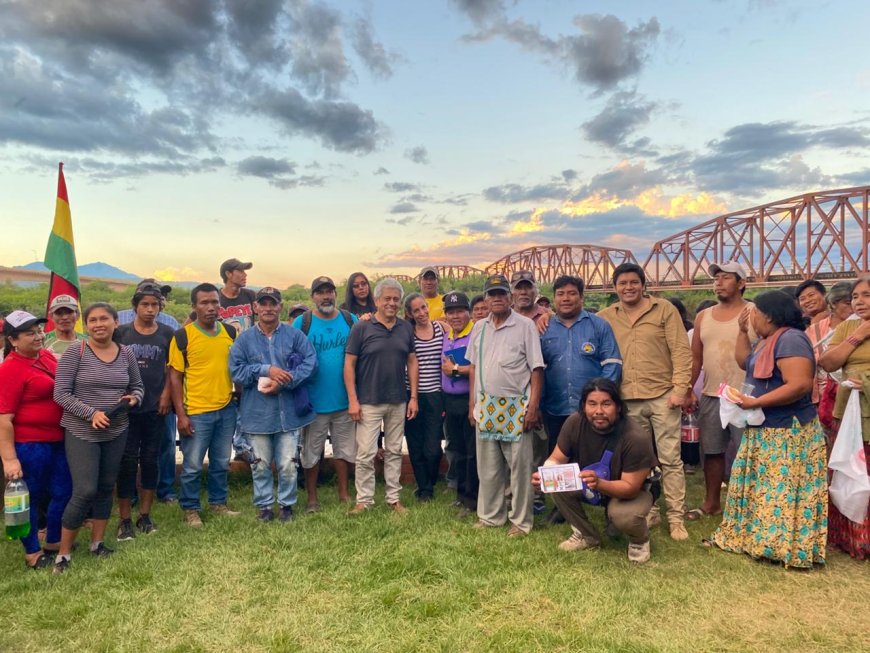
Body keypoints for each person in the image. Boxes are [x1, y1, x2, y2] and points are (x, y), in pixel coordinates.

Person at [707, 291, 826, 568]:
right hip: (765, 427)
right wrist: (740, 331)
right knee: (765, 488)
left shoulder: (791, 339)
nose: (752, 317)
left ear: (769, 315)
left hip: (788, 432)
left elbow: (799, 385)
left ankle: (781, 546)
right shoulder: (766, 341)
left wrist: (756, 401)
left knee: (781, 489)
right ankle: (759, 540)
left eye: (755, 312)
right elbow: (743, 362)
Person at [598, 263, 690, 541]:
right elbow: (576, 322)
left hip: (663, 396)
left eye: (633, 282)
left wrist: (680, 390)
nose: (628, 287)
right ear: (615, 287)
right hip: (626, 399)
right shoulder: (605, 316)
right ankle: (649, 511)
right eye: (622, 283)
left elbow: (681, 352)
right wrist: (543, 318)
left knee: (671, 459)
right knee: (639, 462)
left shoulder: (663, 310)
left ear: (643, 284)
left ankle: (677, 517)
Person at [52, 303, 144, 573]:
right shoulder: (76, 351)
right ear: (86, 324)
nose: (98, 324)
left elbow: (137, 387)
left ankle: (97, 543)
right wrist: (90, 413)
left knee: (106, 487)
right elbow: (61, 394)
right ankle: (64, 554)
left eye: (104, 318)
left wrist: (134, 398)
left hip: (116, 429)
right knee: (85, 490)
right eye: (92, 320)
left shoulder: (125, 353)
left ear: (116, 322)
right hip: (82, 432)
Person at [532, 378, 657, 563]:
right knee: (556, 483)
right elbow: (556, 458)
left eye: (606, 404)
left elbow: (630, 487)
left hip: (631, 490)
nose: (599, 411)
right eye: (592, 404)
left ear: (618, 407)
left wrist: (600, 484)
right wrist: (545, 475)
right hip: (592, 482)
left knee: (624, 517)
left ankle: (639, 540)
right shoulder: (574, 422)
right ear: (583, 406)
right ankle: (587, 535)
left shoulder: (635, 437)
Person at [230, 287, 317, 522]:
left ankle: (286, 506)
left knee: (288, 463)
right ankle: (265, 507)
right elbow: (236, 371)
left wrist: (286, 382)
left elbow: (311, 363)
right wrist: (266, 370)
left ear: (280, 306)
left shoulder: (294, 335)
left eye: (273, 304)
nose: (268, 308)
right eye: (263, 304)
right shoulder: (244, 340)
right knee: (260, 464)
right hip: (257, 413)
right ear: (255, 308)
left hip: (288, 412)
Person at [467, 273, 544, 536]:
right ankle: (490, 516)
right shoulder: (479, 327)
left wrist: (532, 407)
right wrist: (472, 405)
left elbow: (536, 369)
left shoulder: (525, 326)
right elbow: (473, 367)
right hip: (486, 405)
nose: (496, 298)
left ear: (509, 297)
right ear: (485, 299)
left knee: (520, 468)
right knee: (487, 467)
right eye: (492, 294)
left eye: (501, 294)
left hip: (516, 406)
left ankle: (521, 521)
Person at [0, 311, 72, 569]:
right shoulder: (9, 369)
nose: (39, 336)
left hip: (58, 439)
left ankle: (53, 539)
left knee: (63, 490)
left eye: (39, 330)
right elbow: (3, 419)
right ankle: (32, 551)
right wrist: (9, 459)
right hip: (30, 445)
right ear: (13, 340)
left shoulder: (46, 356)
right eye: (30, 333)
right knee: (32, 497)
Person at [686, 262, 755, 520]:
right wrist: (687, 390)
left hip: (745, 395)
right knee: (712, 451)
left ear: (741, 283)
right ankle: (711, 503)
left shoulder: (755, 312)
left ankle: (747, 506)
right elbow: (696, 359)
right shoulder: (704, 316)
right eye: (716, 279)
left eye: (726, 278)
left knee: (747, 452)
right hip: (712, 394)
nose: (719, 283)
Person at [169, 283, 240, 528]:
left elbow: (236, 369)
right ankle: (190, 508)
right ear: (194, 306)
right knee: (191, 466)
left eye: (214, 302)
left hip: (226, 408)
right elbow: (175, 377)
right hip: (196, 412)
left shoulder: (230, 333)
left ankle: (218, 502)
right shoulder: (182, 336)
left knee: (221, 462)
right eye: (204, 303)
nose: (210, 308)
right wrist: (181, 415)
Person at [345, 278, 418, 513]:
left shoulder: (405, 327)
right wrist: (353, 400)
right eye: (386, 298)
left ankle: (393, 498)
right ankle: (364, 500)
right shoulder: (362, 327)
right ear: (376, 300)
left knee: (395, 451)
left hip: (398, 399)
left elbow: (412, 360)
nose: (391, 303)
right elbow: (349, 364)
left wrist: (413, 397)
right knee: (365, 453)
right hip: (368, 400)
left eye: (396, 299)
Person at [114, 283, 175, 540]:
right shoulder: (122, 333)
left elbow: (172, 370)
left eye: (155, 305)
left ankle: (145, 516)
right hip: (127, 409)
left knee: (150, 460)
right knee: (126, 462)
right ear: (135, 306)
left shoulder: (168, 334)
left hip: (155, 408)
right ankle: (125, 519)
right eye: (145, 305)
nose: (150, 310)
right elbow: (111, 364)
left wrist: (166, 396)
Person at [292, 276, 358, 511]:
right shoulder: (303, 322)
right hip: (313, 403)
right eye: (320, 292)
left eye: (329, 291)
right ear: (313, 297)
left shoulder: (350, 319)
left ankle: (344, 494)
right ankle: (312, 498)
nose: (326, 296)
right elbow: (290, 356)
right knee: (311, 454)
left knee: (345, 452)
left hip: (344, 400)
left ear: (335, 295)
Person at [819, 276, 870, 559]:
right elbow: (828, 362)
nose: (859, 301)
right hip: (849, 411)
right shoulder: (848, 327)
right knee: (849, 472)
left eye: (866, 295)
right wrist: (858, 336)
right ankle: (851, 539)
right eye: (855, 296)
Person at [540, 275, 622, 453]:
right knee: (559, 460)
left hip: (591, 411)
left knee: (593, 459)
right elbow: (538, 369)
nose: (566, 298)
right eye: (561, 294)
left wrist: (599, 400)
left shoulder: (599, 325)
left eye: (572, 293)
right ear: (554, 298)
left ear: (581, 297)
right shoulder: (544, 328)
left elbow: (612, 363)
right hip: (555, 409)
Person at [403, 292, 445, 502]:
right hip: (412, 395)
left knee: (433, 447)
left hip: (436, 394)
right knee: (414, 442)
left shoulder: (441, 328)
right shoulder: (407, 333)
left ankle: (430, 480)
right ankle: (424, 489)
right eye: (416, 310)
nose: (421, 313)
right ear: (409, 314)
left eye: (423, 307)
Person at [440, 291, 477, 517]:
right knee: (456, 449)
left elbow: (479, 367)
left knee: (471, 452)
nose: (455, 316)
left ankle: (471, 499)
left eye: (460, 311)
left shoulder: (476, 333)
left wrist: (455, 370)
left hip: (468, 399)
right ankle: (460, 495)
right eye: (451, 312)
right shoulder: (447, 334)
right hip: (450, 400)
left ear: (468, 313)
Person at [218, 258, 256, 462]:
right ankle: (228, 446)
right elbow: (193, 321)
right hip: (223, 357)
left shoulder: (250, 295)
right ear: (228, 274)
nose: (244, 274)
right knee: (227, 401)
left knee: (246, 399)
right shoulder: (216, 298)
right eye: (240, 271)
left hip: (248, 358)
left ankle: (243, 445)